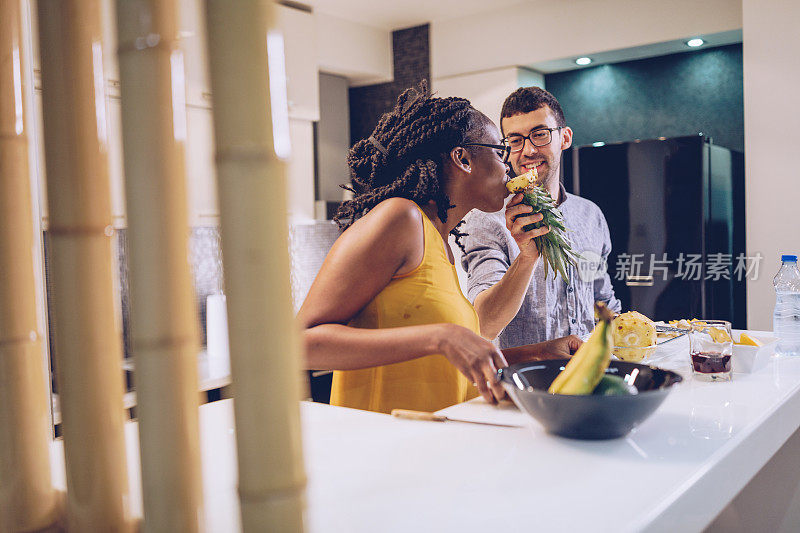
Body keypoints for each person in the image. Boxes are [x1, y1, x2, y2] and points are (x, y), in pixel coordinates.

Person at [298, 84, 582, 414]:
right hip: (384, 451)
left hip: (434, 445)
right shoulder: (400, 217)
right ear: (462, 158)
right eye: (499, 151)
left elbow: (441, 361)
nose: (509, 166)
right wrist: (441, 336)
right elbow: (299, 345)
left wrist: (538, 353)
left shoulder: (441, 241)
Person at [461, 86, 621, 350]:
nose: (528, 150)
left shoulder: (590, 214)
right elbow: (484, 324)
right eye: (514, 140)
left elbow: (603, 300)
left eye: (540, 134)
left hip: (590, 376)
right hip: (523, 384)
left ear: (565, 138)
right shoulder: (486, 220)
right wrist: (526, 259)